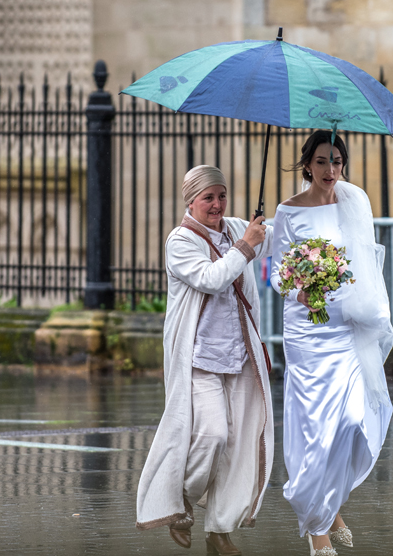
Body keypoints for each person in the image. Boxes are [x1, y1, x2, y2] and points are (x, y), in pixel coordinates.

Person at [136, 165, 275, 556]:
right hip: (199, 359)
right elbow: (212, 278)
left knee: (238, 445)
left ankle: (220, 531)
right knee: (212, 435)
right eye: (208, 197)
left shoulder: (234, 228)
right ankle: (179, 499)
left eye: (222, 195)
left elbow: (281, 234)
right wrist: (246, 245)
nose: (217, 204)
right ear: (191, 201)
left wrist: (319, 189)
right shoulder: (180, 241)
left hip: (240, 356)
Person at [270, 130, 393, 556]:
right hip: (307, 329)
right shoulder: (288, 211)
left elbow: (365, 263)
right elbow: (276, 272)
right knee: (316, 426)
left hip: (346, 325)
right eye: (322, 161)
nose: (330, 170)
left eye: (337, 161)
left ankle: (331, 503)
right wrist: (298, 289)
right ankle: (318, 529)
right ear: (308, 165)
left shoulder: (354, 202)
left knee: (352, 420)